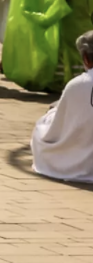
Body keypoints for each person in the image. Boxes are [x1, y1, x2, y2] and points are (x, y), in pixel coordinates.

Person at [31, 28, 93, 183]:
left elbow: (58, 127)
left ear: (86, 59)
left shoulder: (79, 84)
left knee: (44, 124)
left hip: (83, 160)